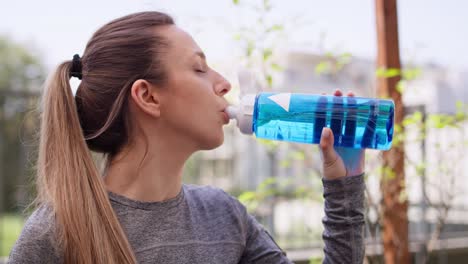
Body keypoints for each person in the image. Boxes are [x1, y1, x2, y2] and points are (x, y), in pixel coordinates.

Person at [8, 11, 365, 264]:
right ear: (148, 97)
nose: (224, 83)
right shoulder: (55, 237)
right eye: (198, 68)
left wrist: (345, 184)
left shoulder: (224, 217)